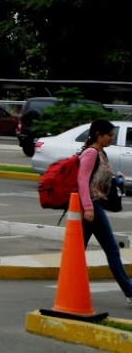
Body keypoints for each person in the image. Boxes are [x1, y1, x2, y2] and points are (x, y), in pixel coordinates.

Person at [78, 118, 132, 307]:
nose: (111, 138)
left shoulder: (102, 153)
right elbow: (82, 181)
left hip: (93, 207)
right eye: (109, 135)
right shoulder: (91, 153)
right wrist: (88, 207)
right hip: (91, 207)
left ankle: (70, 285)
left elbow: (100, 179)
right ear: (98, 135)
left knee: (77, 251)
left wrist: (116, 179)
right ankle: (130, 291)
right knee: (112, 249)